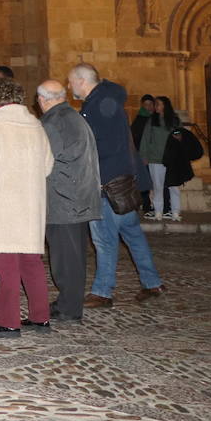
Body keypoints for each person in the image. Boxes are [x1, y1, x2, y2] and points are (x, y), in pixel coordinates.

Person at [68, 63, 165, 307]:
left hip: (107, 186)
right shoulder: (106, 99)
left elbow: (104, 148)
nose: (69, 86)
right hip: (123, 184)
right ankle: (152, 283)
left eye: (71, 82)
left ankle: (103, 292)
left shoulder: (99, 108)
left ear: (81, 81)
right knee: (133, 235)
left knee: (104, 239)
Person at [0, 78, 53, 336]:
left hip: (4, 204)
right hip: (30, 205)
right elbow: (48, 165)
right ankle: (40, 317)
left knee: (6, 264)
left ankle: (8, 321)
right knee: (32, 262)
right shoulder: (36, 125)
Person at [36, 79, 101, 323]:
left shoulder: (54, 122)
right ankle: (69, 302)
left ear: (42, 100)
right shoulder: (74, 117)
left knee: (65, 258)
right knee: (72, 256)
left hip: (64, 200)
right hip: (78, 197)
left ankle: (69, 307)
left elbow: (44, 161)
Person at [140, 96, 181, 222]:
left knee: (174, 187)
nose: (155, 106)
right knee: (157, 187)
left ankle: (175, 212)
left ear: (165, 106)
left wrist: (178, 137)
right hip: (155, 159)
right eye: (155, 104)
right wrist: (144, 156)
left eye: (158, 104)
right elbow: (146, 139)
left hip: (171, 159)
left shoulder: (174, 120)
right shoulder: (152, 120)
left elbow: (180, 136)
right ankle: (158, 212)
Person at [130, 94, 157, 215]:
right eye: (145, 105)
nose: (148, 107)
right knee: (145, 181)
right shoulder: (139, 119)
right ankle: (146, 206)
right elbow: (135, 136)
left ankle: (160, 206)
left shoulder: (157, 118)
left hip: (156, 155)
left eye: (150, 104)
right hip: (143, 155)